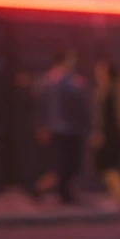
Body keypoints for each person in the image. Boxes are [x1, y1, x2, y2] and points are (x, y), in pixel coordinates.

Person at [34, 50, 91, 204]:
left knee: (70, 164)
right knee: (64, 163)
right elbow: (42, 105)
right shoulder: (56, 80)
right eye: (70, 60)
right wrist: (42, 126)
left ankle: (65, 194)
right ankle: (44, 189)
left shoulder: (69, 80)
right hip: (62, 128)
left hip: (68, 128)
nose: (73, 64)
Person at [91, 60, 120, 207]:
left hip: (110, 135)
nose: (97, 73)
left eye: (100, 71)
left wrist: (100, 134)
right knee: (112, 165)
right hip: (116, 135)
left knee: (107, 165)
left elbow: (107, 118)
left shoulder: (108, 93)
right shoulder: (116, 90)